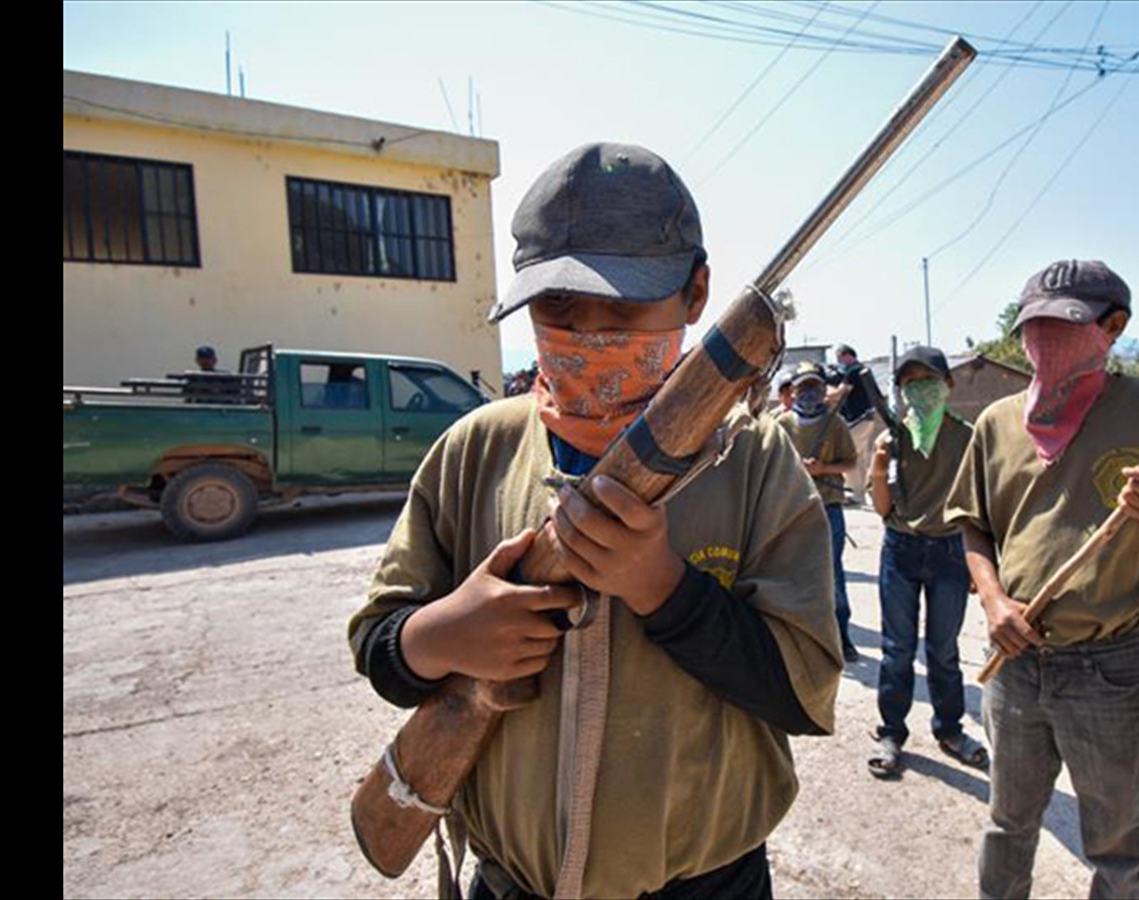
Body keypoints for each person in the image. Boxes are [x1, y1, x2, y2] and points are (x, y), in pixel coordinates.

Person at [348, 142, 842, 900]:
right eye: (559, 308)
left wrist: (665, 590)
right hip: (509, 884)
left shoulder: (756, 459)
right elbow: (382, 649)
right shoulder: (475, 448)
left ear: (697, 293)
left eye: (623, 306)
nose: (590, 334)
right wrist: (447, 633)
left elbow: (802, 694)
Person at [944, 260, 1139, 899]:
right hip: (1015, 663)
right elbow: (974, 529)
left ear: (1113, 326)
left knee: (1115, 842)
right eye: (1033, 326)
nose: (1043, 341)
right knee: (1008, 824)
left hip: (1108, 670)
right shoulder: (998, 422)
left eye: (1062, 326)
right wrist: (993, 603)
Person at [865, 346, 988, 778]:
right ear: (899, 390)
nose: (921, 391)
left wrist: (981, 565)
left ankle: (950, 730)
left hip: (951, 552)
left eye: (929, 381)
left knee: (943, 650)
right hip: (900, 549)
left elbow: (982, 507)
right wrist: (879, 468)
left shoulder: (969, 437)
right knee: (897, 650)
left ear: (948, 385)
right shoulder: (889, 438)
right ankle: (891, 733)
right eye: (910, 383)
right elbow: (882, 509)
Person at [774, 360, 860, 662]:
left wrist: (824, 468)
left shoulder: (835, 424)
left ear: (823, 390)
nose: (808, 394)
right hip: (793, 507)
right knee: (791, 572)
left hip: (828, 507)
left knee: (832, 572)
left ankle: (841, 635)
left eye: (814, 387)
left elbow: (850, 462)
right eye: (803, 388)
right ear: (793, 392)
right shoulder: (781, 425)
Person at [826, 344, 880, 505]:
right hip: (866, 418)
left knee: (850, 455)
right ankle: (858, 493)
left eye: (839, 358)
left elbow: (840, 393)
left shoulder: (853, 371)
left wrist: (825, 393)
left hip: (857, 419)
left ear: (846, 355)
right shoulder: (862, 370)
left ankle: (856, 494)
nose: (839, 362)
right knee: (861, 456)